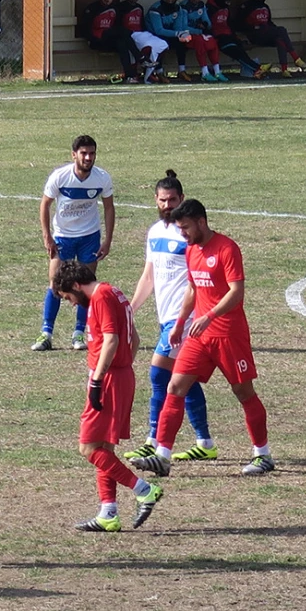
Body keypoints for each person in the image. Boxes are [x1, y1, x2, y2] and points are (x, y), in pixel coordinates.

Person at [130, 199, 274, 477]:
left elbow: (236, 292)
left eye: (185, 228)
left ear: (201, 222)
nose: (182, 234)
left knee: (243, 393)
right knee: (175, 386)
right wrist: (181, 322)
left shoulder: (227, 248)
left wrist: (209, 316)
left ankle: (263, 454)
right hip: (199, 336)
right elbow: (193, 289)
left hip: (229, 335)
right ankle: (163, 455)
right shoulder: (192, 250)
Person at [53, 262, 164, 531]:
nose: (70, 303)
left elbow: (112, 340)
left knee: (89, 448)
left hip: (109, 379)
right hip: (121, 375)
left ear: (76, 285)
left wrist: (99, 379)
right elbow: (134, 340)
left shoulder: (101, 297)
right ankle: (108, 513)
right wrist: (123, 368)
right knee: (104, 449)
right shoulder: (115, 293)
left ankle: (144, 489)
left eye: (68, 297)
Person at [126, 171, 213, 464]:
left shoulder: (188, 234)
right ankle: (204, 441)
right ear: (155, 200)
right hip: (166, 318)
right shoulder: (154, 232)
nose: (167, 205)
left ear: (182, 199)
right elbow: (149, 275)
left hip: (185, 318)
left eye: (172, 200)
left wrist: (183, 319)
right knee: (183, 379)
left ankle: (153, 440)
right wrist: (131, 309)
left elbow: (196, 279)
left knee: (158, 373)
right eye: (162, 200)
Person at [32, 135, 115, 352]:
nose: (88, 158)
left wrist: (107, 240)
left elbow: (108, 208)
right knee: (55, 284)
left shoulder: (102, 178)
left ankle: (79, 333)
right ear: (74, 155)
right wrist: (47, 236)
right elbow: (45, 205)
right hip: (63, 238)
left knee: (86, 286)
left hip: (89, 237)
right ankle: (46, 333)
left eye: (92, 153)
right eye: (84, 153)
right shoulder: (60, 177)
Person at [237, 0, 306, 77]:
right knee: (281, 31)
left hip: (267, 34)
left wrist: (274, 29)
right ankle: (296, 58)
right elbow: (239, 23)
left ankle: (284, 70)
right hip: (255, 35)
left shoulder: (266, 7)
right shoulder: (247, 6)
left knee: (280, 38)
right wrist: (252, 28)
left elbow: (269, 22)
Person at [77, 0, 143, 82]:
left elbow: (117, 26)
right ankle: (140, 58)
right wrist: (91, 39)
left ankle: (130, 76)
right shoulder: (92, 8)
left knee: (122, 43)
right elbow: (85, 28)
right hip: (97, 39)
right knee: (123, 31)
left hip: (109, 40)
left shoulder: (116, 8)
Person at [207, 0, 267, 78]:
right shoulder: (209, 9)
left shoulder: (226, 9)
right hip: (219, 38)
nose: (228, 4)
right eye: (226, 2)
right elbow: (208, 26)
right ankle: (257, 68)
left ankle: (256, 69)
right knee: (236, 52)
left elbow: (229, 24)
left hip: (229, 36)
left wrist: (235, 36)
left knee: (240, 49)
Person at [117, 0, 169, 83]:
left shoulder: (140, 8)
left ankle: (152, 71)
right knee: (146, 48)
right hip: (130, 35)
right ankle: (137, 73)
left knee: (162, 44)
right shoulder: (121, 7)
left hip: (142, 34)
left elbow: (142, 24)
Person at [181, 0, 226, 82]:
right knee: (200, 42)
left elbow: (207, 22)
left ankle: (217, 72)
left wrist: (205, 25)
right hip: (184, 34)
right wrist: (199, 30)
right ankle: (205, 72)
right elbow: (183, 27)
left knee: (212, 41)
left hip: (199, 33)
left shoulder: (201, 5)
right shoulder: (183, 6)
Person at [146, 0, 193, 81]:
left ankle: (182, 70)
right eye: (168, 1)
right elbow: (158, 30)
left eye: (172, 1)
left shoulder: (177, 8)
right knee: (161, 45)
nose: (170, 4)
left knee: (181, 42)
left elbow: (178, 27)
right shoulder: (155, 9)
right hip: (153, 35)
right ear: (163, 0)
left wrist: (181, 34)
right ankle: (159, 72)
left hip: (168, 33)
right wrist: (177, 33)